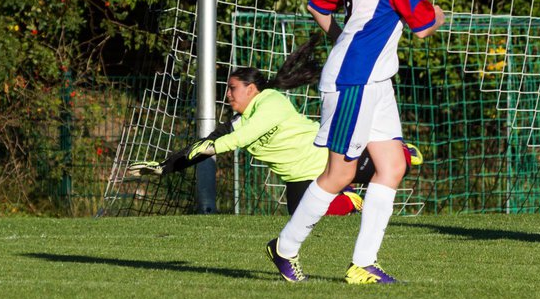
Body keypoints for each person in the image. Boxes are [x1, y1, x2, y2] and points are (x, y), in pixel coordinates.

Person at [266, 0, 445, 284]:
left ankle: (363, 263)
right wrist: (439, 15)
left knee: (393, 165)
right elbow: (422, 26)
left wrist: (341, 39)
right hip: (355, 81)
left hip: (373, 80)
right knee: (340, 173)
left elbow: (318, 6)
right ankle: (286, 247)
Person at [127, 38, 422, 216]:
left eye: (232, 88)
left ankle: (404, 150)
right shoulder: (236, 122)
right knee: (302, 213)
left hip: (327, 156)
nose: (228, 94)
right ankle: (351, 199)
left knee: (395, 165)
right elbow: (203, 147)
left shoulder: (271, 102)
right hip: (299, 174)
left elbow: (244, 137)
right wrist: (164, 166)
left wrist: (217, 145)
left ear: (251, 89)